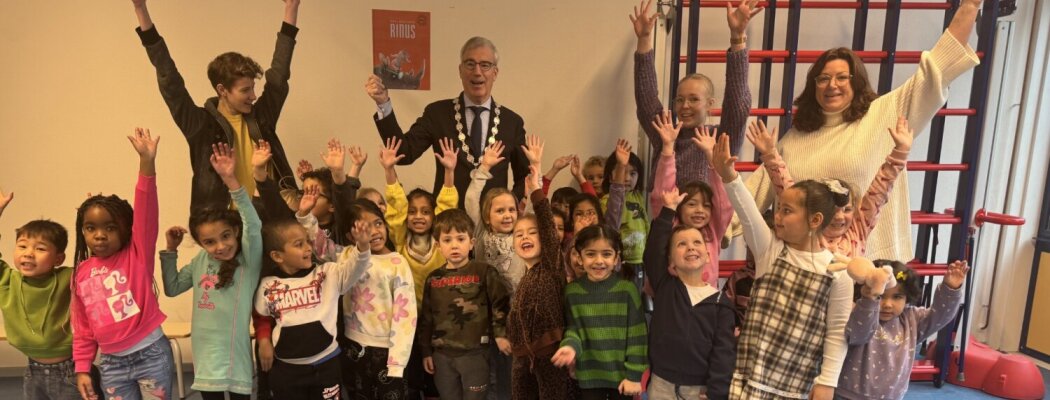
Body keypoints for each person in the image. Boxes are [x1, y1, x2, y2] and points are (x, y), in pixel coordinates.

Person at [745, 0, 983, 260]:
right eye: (823, 78)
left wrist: (969, 6)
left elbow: (937, 68)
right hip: (805, 267)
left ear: (856, 81)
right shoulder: (795, 137)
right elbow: (758, 188)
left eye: (841, 77)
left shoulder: (884, 113)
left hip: (867, 267)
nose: (831, 85)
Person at [712, 135, 852, 399]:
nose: (777, 217)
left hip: (794, 385)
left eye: (787, 211)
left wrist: (827, 382)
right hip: (749, 379)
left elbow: (836, 332)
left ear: (815, 219)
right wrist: (729, 176)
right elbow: (748, 212)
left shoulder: (837, 273)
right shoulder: (770, 251)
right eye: (778, 209)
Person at [131, 0, 303, 213]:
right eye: (245, 90)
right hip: (225, 226)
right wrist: (140, 9)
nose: (254, 95)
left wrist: (291, 9)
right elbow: (169, 78)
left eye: (253, 88)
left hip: (271, 218)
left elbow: (279, 74)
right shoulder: (199, 124)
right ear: (222, 90)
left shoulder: (262, 117)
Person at [366, 37, 529, 207]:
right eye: (470, 64)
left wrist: (511, 205)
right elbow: (403, 154)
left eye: (485, 65)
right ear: (460, 70)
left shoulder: (512, 122)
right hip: (448, 226)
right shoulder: (438, 114)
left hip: (493, 227)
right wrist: (383, 103)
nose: (477, 72)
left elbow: (525, 176)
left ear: (495, 73)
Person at [71, 128, 173, 400]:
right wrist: (82, 367)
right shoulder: (81, 274)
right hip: (111, 363)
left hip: (150, 355)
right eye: (91, 227)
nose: (100, 234)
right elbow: (82, 326)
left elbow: (146, 208)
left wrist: (147, 163)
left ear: (126, 229)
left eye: (110, 227)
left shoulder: (136, 254)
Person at [159, 144, 261, 399]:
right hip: (205, 359)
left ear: (236, 232)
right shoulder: (200, 262)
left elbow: (253, 223)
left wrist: (230, 179)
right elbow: (172, 288)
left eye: (225, 236)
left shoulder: (248, 259)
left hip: (235, 359)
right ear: (202, 243)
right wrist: (170, 251)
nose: (221, 246)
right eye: (210, 242)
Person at [631, 0, 757, 190]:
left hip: (708, 220)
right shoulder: (667, 136)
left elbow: (738, 104)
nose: (685, 106)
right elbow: (645, 99)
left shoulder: (720, 138)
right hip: (666, 219)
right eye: (679, 100)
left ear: (710, 104)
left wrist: (737, 36)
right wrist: (644, 40)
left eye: (694, 99)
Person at [747, 118, 913, 258]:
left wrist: (900, 152)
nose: (840, 217)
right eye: (833, 210)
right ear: (816, 213)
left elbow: (879, 191)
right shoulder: (808, 230)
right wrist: (770, 154)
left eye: (847, 209)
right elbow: (786, 189)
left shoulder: (858, 230)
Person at [255, 216, 373, 400]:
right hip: (287, 371)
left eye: (307, 241)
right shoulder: (268, 285)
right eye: (299, 244)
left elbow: (355, 269)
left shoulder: (327, 273)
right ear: (277, 256)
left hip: (326, 366)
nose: (308, 248)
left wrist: (363, 247)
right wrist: (264, 341)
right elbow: (261, 316)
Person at [641, 188, 736, 399]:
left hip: (699, 391)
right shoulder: (666, 286)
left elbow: (723, 354)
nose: (690, 248)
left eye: (696, 243)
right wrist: (668, 211)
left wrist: (716, 393)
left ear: (708, 255)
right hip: (660, 386)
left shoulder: (721, 303)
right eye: (681, 244)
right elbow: (653, 252)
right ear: (671, 261)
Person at [836, 260, 966, 399]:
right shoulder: (859, 313)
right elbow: (859, 332)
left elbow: (940, 316)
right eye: (880, 296)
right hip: (848, 395)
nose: (887, 304)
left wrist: (950, 288)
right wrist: (869, 300)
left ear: (907, 297)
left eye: (897, 297)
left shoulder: (911, 319)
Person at [418, 209, 512, 400]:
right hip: (442, 356)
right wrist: (426, 352)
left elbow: (500, 304)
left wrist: (501, 335)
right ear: (438, 245)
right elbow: (426, 318)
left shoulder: (484, 272)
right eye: (447, 240)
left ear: (472, 243)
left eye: (460, 239)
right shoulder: (433, 278)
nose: (454, 245)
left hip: (475, 353)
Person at [551, 225, 648, 400]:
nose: (599, 261)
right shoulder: (572, 292)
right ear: (579, 257)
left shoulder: (627, 290)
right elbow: (573, 329)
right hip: (589, 377)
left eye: (606, 254)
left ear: (616, 257)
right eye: (590, 254)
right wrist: (570, 346)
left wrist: (634, 375)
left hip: (622, 379)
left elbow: (637, 335)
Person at [0, 191, 81, 400]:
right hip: (31, 370)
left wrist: (85, 222)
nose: (28, 253)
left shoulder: (67, 277)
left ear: (58, 258)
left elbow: (94, 264)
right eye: (22, 246)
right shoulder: (9, 280)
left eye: (40, 248)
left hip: (71, 371)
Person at [338, 200, 417, 400]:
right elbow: (319, 246)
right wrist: (304, 215)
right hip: (353, 346)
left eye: (378, 223)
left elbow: (406, 317)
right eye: (363, 227)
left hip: (387, 352)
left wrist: (397, 362)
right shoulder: (347, 255)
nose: (373, 231)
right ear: (350, 235)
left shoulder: (397, 263)